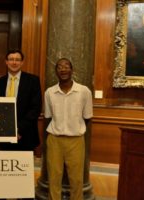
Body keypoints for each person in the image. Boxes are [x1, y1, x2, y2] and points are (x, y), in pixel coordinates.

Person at [44, 58, 93, 200]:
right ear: (56, 71)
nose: (63, 69)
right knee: (53, 178)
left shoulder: (84, 91)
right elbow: (48, 116)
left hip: (76, 141)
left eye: (66, 66)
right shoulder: (50, 92)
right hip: (54, 140)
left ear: (72, 70)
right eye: (59, 67)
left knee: (76, 180)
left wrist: (74, 127)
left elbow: (87, 117)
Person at [0, 49, 42, 151]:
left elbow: (35, 108)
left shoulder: (33, 81)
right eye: (11, 59)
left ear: (22, 62)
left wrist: (18, 129)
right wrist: (6, 130)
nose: (14, 62)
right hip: (2, 135)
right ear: (6, 62)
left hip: (25, 135)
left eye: (17, 60)